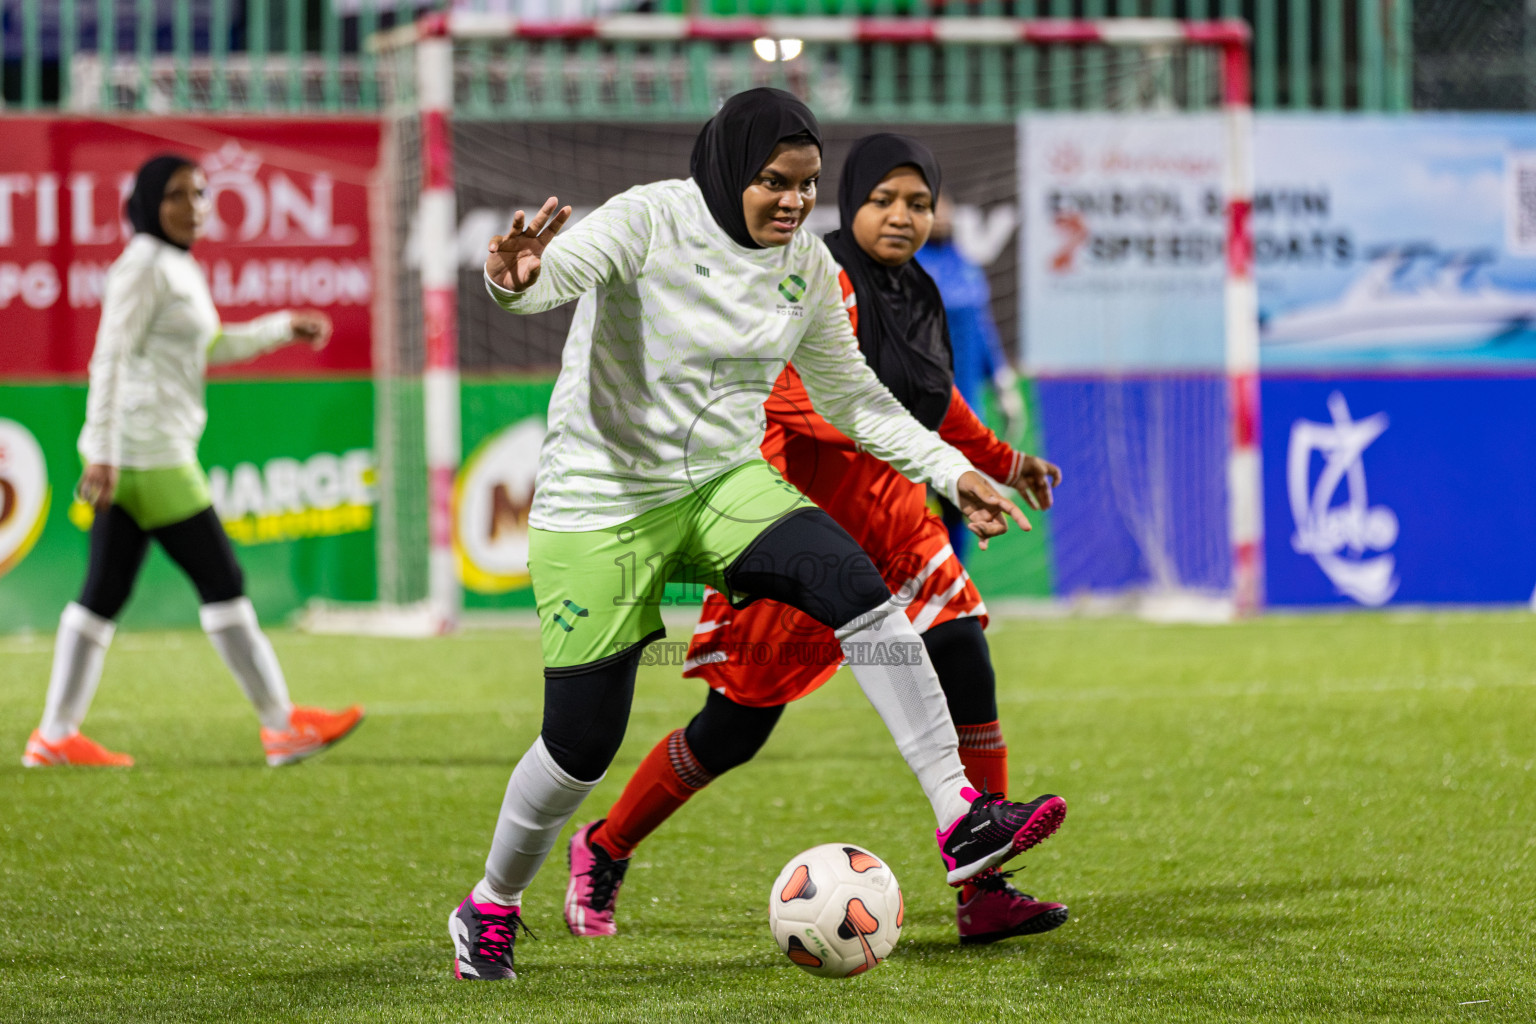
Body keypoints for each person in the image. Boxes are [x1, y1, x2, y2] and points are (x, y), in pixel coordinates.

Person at [449, 90, 1065, 981]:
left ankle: (961, 814)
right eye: (774, 182)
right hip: (601, 506)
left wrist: (953, 470)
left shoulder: (806, 267)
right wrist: (511, 277)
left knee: (856, 586)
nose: (792, 202)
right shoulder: (649, 217)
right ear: (729, 168)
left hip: (724, 486)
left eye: (807, 185)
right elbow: (545, 278)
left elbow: (853, 396)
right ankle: (492, 904)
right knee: (581, 744)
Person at [23, 154, 365, 770]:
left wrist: (282, 326)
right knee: (224, 583)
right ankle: (280, 726)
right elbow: (109, 356)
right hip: (149, 455)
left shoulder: (173, 267)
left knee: (102, 593)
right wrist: (101, 451)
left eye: (201, 193)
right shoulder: (145, 266)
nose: (194, 205)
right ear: (149, 203)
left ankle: (53, 736)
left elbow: (211, 345)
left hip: (136, 455)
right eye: (177, 194)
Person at [917, 194, 1025, 562]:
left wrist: (1002, 382)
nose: (943, 219)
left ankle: (950, 584)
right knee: (909, 501)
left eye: (947, 212)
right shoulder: (905, 270)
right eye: (934, 212)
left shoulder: (966, 266)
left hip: (964, 408)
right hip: (916, 408)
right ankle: (903, 588)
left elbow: (982, 331)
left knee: (958, 501)